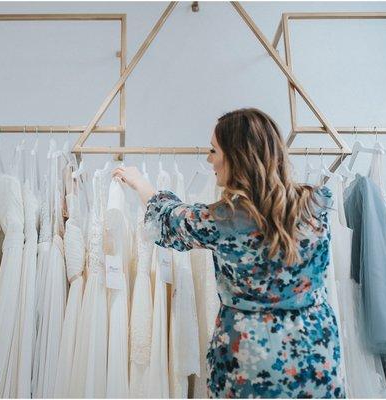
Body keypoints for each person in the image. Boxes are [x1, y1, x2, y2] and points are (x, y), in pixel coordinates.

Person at [113, 108, 345, 398]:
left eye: (213, 150)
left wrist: (141, 184)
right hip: (315, 350)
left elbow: (168, 219)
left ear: (237, 157)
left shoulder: (222, 221)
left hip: (250, 358)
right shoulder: (316, 204)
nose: (209, 159)